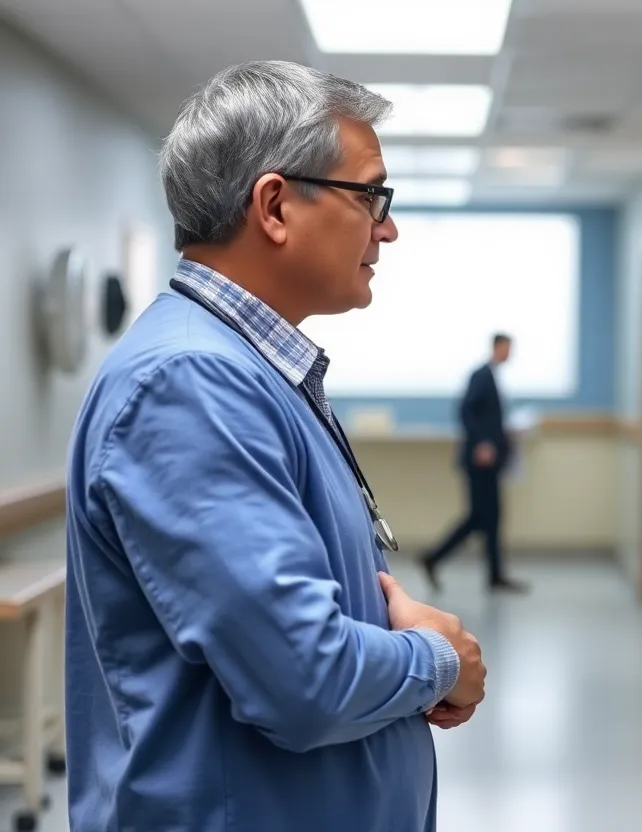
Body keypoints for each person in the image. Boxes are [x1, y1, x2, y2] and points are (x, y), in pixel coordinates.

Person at [64, 60, 486, 832]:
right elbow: (305, 681)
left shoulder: (247, 370)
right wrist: (439, 659)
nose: (388, 228)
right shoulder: (191, 383)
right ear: (275, 205)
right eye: (371, 196)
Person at [420, 333, 528, 593]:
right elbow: (466, 410)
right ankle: (434, 557)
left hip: (491, 460)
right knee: (480, 517)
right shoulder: (481, 375)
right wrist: (482, 443)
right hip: (480, 460)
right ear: (497, 347)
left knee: (489, 518)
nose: (509, 354)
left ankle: (493, 575)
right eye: (507, 348)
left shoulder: (492, 376)